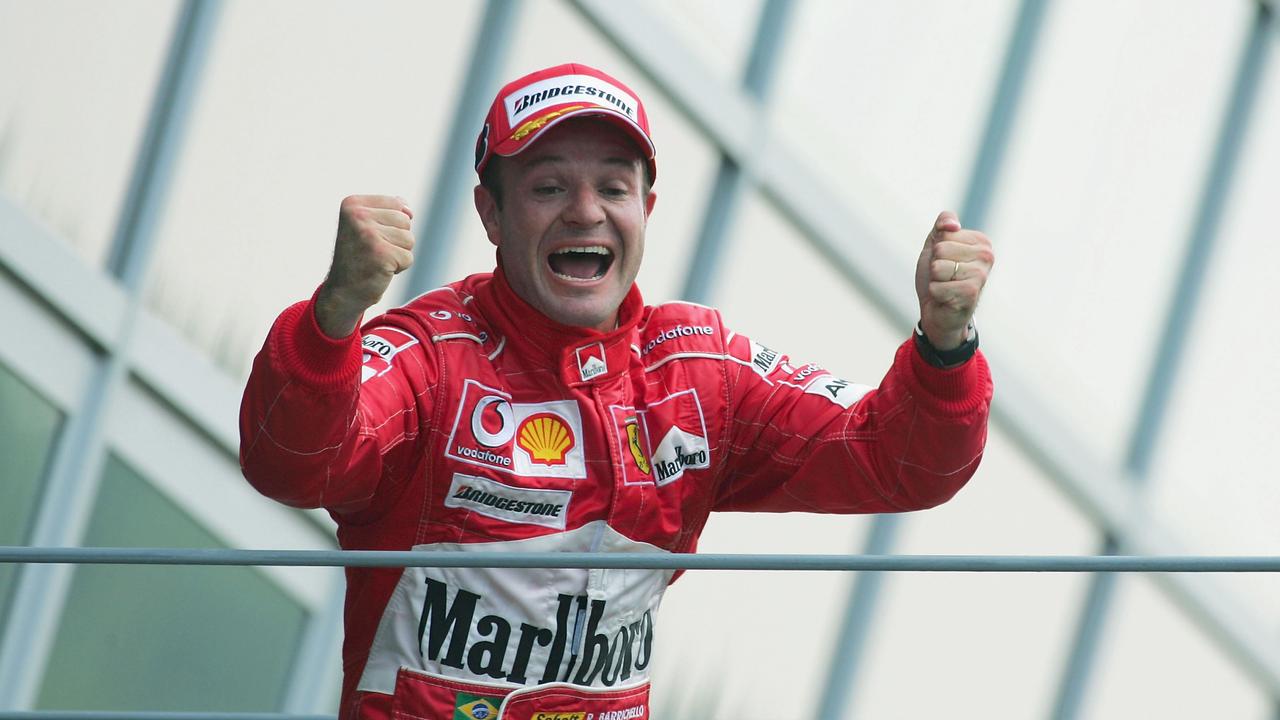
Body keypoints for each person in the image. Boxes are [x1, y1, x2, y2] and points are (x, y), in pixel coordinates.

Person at [240, 62, 993, 720]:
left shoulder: (700, 371)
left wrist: (945, 343)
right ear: (491, 214)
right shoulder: (427, 355)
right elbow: (293, 465)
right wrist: (334, 316)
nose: (586, 210)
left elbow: (898, 459)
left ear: (647, 212)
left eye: (613, 186)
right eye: (548, 186)